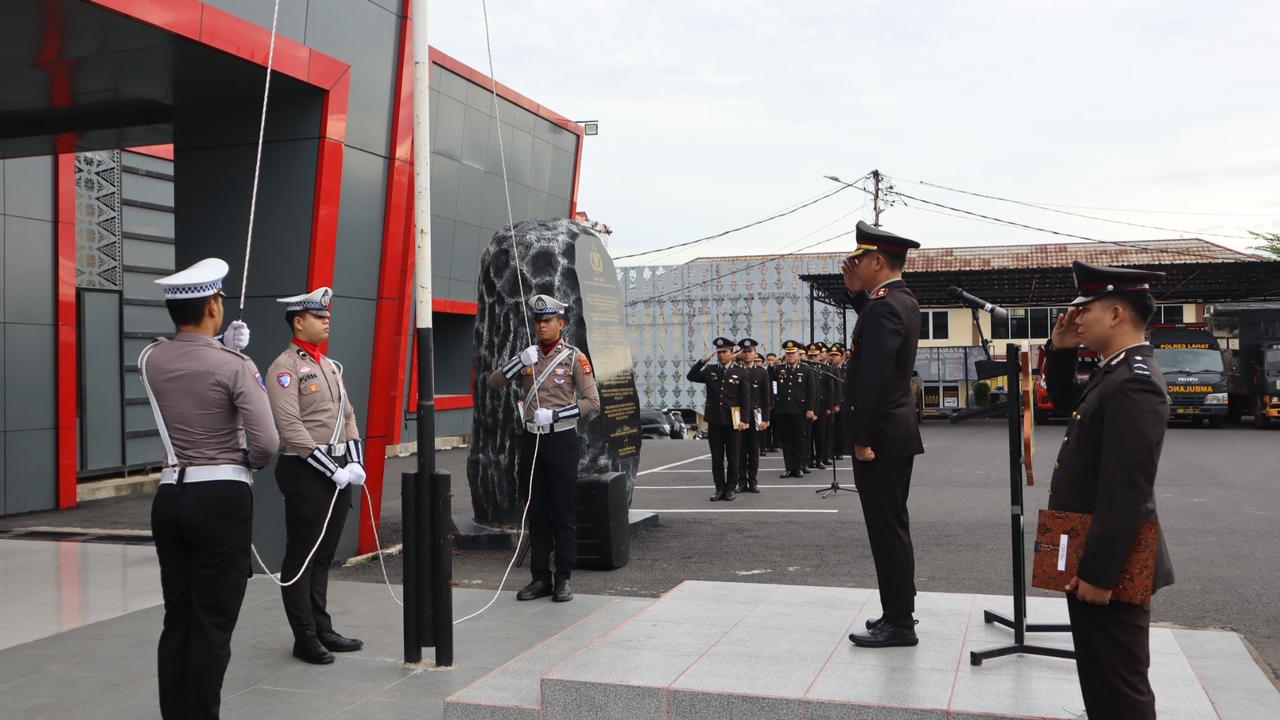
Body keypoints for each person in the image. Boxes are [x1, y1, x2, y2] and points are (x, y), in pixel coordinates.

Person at [140, 258, 278, 719]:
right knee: (213, 624)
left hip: (170, 496)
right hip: (220, 498)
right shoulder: (235, 365)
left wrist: (219, 345)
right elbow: (267, 444)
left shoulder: (151, 358)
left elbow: (186, 363)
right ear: (214, 306)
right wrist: (243, 461)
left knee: (178, 618)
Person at [1044, 261, 1175, 719]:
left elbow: (1126, 489)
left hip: (1111, 561)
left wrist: (1099, 574)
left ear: (1116, 313)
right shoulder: (1114, 371)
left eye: (1085, 309)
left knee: (1119, 685)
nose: (1075, 318)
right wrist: (1059, 349)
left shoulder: (1134, 383)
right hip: (1091, 548)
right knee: (1100, 676)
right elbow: (1062, 400)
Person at [265, 287, 366, 664]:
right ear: (298, 321)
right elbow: (290, 428)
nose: (327, 320)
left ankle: (322, 626)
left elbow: (349, 416)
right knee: (302, 557)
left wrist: (354, 462)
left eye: (327, 315)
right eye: (318, 315)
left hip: (338, 472)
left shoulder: (329, 366)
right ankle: (303, 635)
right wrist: (333, 469)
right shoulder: (285, 368)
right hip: (306, 472)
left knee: (323, 555)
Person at [841, 221, 925, 649]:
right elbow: (876, 346)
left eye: (858, 260)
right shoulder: (897, 301)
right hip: (895, 434)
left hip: (881, 439)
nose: (853, 265)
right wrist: (857, 293)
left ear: (877, 260)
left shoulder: (884, 307)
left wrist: (860, 438)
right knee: (892, 526)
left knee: (887, 529)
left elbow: (872, 379)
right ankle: (898, 612)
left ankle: (900, 623)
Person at [486, 294, 600, 603]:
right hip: (531, 440)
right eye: (537, 321)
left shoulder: (575, 357)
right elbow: (493, 382)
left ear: (561, 324)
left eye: (547, 320)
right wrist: (518, 362)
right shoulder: (528, 356)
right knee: (536, 510)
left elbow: (592, 401)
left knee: (562, 509)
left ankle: (563, 576)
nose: (541, 325)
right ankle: (540, 577)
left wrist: (558, 414)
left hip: (561, 439)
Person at [687, 337, 752, 501]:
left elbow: (746, 398)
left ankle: (731, 488)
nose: (721, 355)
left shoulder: (740, 371)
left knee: (733, 456)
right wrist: (702, 361)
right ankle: (719, 488)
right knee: (716, 457)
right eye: (719, 352)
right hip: (715, 420)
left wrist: (744, 419)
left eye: (724, 352)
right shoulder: (710, 370)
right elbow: (691, 376)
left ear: (732, 353)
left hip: (734, 420)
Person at [773, 340, 817, 478]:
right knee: (786, 440)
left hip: (800, 410)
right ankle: (788, 467)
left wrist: (810, 409)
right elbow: (772, 386)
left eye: (793, 353)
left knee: (799, 439)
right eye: (788, 353)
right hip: (783, 409)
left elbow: (811, 391)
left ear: (799, 354)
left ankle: (798, 467)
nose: (790, 355)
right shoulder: (779, 369)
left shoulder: (806, 370)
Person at [735, 338, 771, 493]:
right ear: (740, 353)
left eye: (750, 351)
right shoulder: (735, 371)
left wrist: (766, 418)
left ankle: (753, 481)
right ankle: (741, 481)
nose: (747, 354)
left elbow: (766, 397)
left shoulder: (761, 372)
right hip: (737, 414)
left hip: (755, 413)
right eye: (744, 351)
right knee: (739, 450)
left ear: (755, 353)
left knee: (754, 449)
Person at [828, 343, 848, 461]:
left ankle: (840, 450)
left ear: (842, 356)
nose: (834, 357)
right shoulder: (829, 368)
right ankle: (831, 450)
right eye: (832, 355)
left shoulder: (847, 368)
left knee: (842, 428)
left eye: (836, 355)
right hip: (832, 402)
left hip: (844, 402)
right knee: (831, 428)